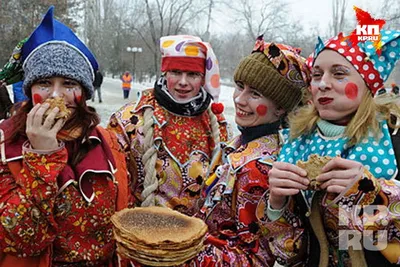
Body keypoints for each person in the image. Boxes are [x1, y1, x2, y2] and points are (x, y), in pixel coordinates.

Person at [0, 7, 130, 266]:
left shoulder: (108, 142)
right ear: (30, 89)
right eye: (45, 83)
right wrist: (41, 156)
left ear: (84, 91)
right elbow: (20, 240)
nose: (56, 96)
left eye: (69, 84)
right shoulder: (4, 145)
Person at [259, 30, 400, 266]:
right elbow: (288, 254)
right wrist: (276, 204)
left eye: (339, 73)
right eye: (316, 75)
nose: (323, 84)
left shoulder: (393, 142)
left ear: (368, 83)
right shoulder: (295, 145)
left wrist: (373, 191)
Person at [179, 36, 310, 266]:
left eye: (255, 94)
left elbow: (258, 257)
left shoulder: (260, 168)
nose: (240, 99)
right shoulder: (239, 143)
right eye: (240, 86)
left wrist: (185, 256)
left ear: (280, 108)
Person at [108, 35, 231, 215]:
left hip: (196, 238)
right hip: (139, 232)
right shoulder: (128, 120)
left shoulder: (217, 127)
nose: (183, 81)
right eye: (175, 72)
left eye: (192, 74)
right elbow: (111, 183)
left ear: (203, 78)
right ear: (165, 73)